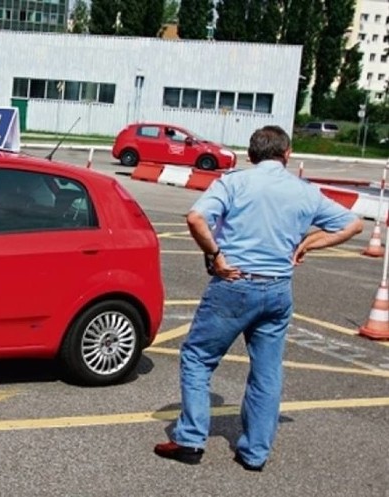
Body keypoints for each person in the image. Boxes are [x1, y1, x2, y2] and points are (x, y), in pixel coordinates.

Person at [153, 125, 362, 471]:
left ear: (251, 155)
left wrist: (217, 255)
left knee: (198, 357)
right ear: (288, 153)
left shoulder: (234, 183)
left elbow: (196, 218)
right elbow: (353, 225)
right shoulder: (304, 192)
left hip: (235, 284)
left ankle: (190, 439)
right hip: (278, 288)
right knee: (266, 372)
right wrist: (309, 243)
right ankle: (254, 453)